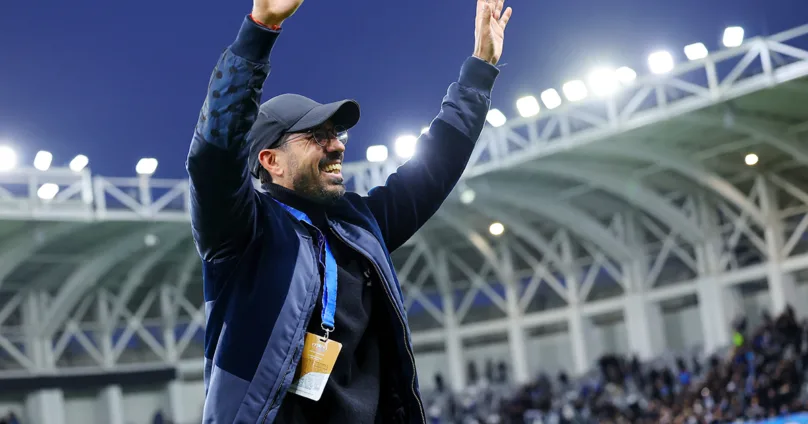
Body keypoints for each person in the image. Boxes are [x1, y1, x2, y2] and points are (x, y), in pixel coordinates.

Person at [187, 0, 512, 422]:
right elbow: (212, 159)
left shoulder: (358, 223)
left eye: (337, 134)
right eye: (316, 137)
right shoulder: (242, 231)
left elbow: (436, 166)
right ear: (270, 160)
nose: (337, 145)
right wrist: (259, 30)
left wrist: (480, 69)